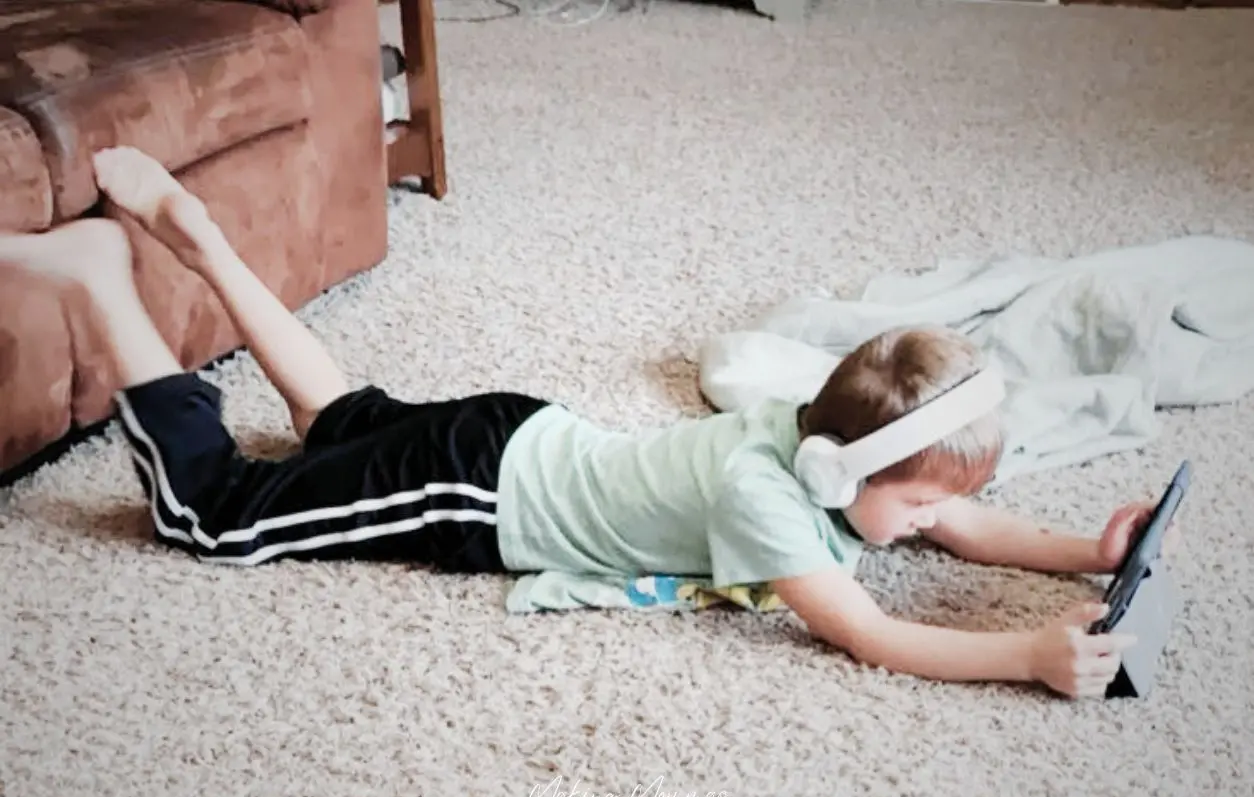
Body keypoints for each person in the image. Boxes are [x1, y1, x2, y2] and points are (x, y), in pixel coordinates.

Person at [0, 147, 1153, 700]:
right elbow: (872, 636)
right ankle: (107, 277)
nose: (939, 521)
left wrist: (1082, 553)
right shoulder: (771, 497)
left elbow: (958, 526)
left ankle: (198, 235)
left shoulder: (826, 454)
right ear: (837, 463)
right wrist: (1024, 656)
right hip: (485, 492)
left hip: (513, 433)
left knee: (340, 418)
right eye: (923, 498)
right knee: (216, 515)